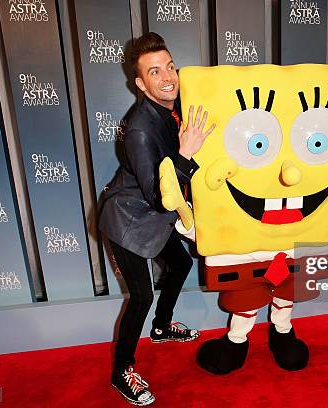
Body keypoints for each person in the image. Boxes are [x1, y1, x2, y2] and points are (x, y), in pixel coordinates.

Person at [99, 32, 215, 406]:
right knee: (142, 294)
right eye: (154, 72)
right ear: (139, 83)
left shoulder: (176, 101)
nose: (167, 77)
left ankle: (163, 327)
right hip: (128, 218)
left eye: (170, 67)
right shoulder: (139, 130)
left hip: (155, 216)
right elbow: (157, 198)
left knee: (180, 263)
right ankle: (122, 369)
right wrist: (185, 153)